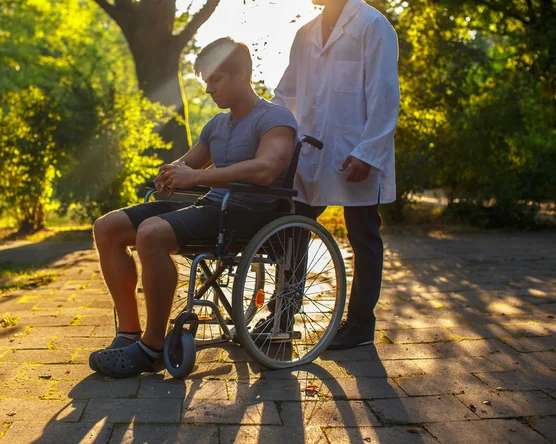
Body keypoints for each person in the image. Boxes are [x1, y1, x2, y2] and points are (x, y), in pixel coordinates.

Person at [89, 37, 298, 377]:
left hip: (248, 215)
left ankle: (152, 347)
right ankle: (128, 333)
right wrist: (171, 172)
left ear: (242, 73)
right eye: (206, 82)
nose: (208, 90)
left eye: (215, 80)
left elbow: (265, 170)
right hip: (213, 207)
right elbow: (189, 163)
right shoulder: (216, 125)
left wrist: (198, 177)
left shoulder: (275, 118)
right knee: (107, 228)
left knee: (152, 233)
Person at [271, 0, 400, 349]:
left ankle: (360, 323)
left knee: (363, 235)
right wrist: (275, 141)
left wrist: (368, 152)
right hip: (307, 154)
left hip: (354, 154)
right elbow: (286, 94)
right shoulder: (305, 33)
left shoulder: (373, 26)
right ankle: (282, 315)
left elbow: (385, 95)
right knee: (292, 231)